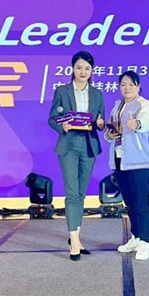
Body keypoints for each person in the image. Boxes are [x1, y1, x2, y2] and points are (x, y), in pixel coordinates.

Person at [48, 51, 105, 261]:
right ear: (72, 68)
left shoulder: (97, 94)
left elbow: (100, 121)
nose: (83, 72)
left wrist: (100, 124)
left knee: (81, 194)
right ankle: (74, 241)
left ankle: (76, 238)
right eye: (79, 67)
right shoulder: (62, 91)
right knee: (72, 193)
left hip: (89, 145)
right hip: (68, 145)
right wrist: (62, 125)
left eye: (87, 68)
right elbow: (52, 119)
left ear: (92, 71)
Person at [105, 71, 149, 261]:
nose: (127, 88)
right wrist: (109, 134)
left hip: (138, 161)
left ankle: (145, 242)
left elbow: (145, 123)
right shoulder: (117, 105)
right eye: (123, 84)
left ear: (138, 86)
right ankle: (136, 237)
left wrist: (137, 124)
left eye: (131, 84)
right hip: (120, 160)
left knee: (141, 203)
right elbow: (111, 130)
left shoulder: (144, 104)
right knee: (130, 202)